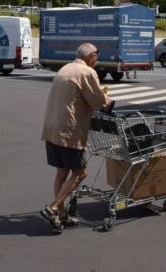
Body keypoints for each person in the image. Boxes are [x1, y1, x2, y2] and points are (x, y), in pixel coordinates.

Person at [39, 42, 112, 231]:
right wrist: (109, 102)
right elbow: (98, 102)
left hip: (52, 127)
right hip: (68, 131)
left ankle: (62, 215)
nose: (98, 58)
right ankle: (52, 207)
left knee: (62, 172)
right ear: (90, 56)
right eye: (98, 54)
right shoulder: (87, 72)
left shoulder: (65, 68)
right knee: (81, 173)